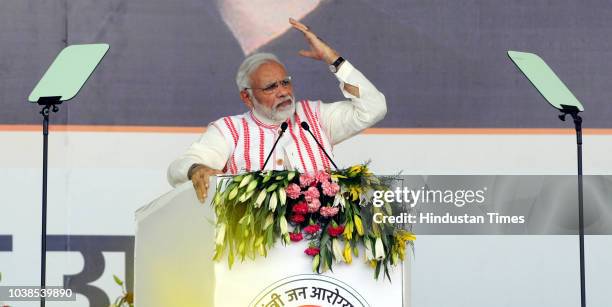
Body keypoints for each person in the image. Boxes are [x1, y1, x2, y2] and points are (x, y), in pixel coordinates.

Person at [167, 18, 386, 202]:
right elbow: (178, 168)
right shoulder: (229, 130)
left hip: (321, 243)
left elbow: (374, 108)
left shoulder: (315, 116)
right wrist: (196, 169)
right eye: (271, 87)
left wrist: (333, 59)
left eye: (285, 83)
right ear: (247, 97)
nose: (283, 92)